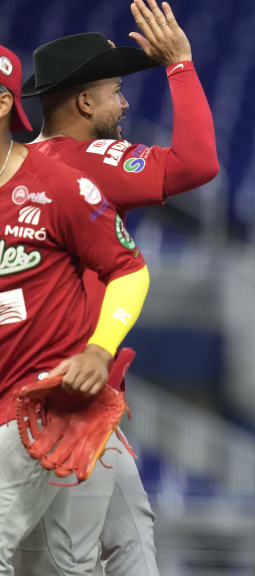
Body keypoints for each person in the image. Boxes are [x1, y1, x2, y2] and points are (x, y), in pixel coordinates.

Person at [14, 1, 218, 574]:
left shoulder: (27, 167)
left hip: (73, 397)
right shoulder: (78, 161)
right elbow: (196, 163)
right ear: (83, 102)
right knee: (70, 562)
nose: (124, 103)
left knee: (131, 540)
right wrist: (180, 65)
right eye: (114, 92)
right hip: (62, 400)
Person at [0, 42, 150, 576]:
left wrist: (98, 349)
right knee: (76, 562)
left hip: (41, 408)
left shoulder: (58, 184)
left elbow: (130, 270)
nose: (126, 103)